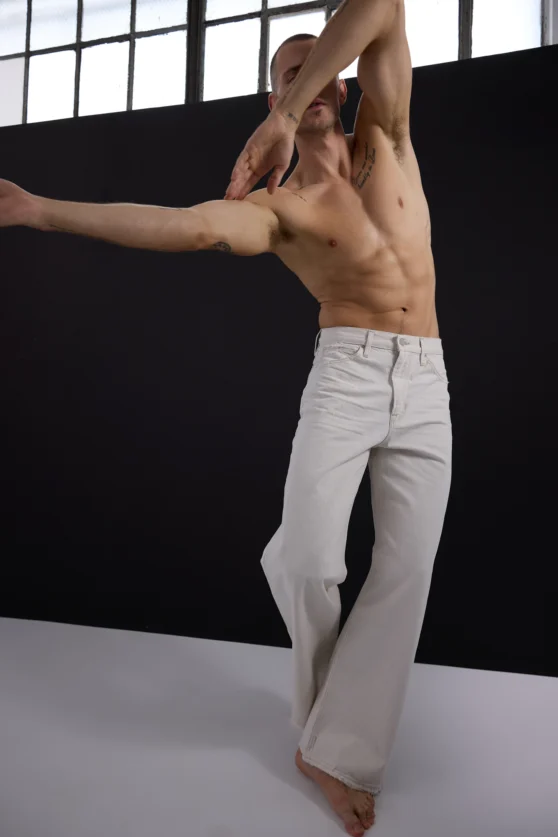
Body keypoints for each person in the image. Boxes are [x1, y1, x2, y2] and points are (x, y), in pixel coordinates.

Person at [0, 2, 452, 833]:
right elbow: (185, 226)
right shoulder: (277, 210)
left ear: (340, 87)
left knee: (406, 571)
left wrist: (285, 111)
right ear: (267, 94)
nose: (303, 80)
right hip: (348, 374)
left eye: (315, 69)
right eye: (285, 72)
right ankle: (317, 697)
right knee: (313, 562)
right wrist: (38, 210)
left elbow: (381, 6)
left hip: (427, 381)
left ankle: (336, 747)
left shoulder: (389, 135)